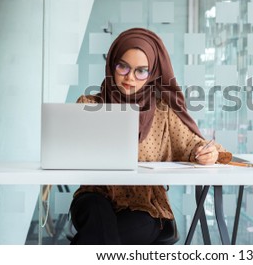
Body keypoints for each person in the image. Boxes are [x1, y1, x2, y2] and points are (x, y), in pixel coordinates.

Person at [69, 27, 231, 244]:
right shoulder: (89, 106)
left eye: (141, 71)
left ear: (153, 73)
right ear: (111, 65)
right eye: (123, 67)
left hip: (146, 205)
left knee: (100, 236)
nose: (130, 78)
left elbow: (193, 145)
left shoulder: (163, 112)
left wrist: (207, 153)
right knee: (97, 216)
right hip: (94, 196)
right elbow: (66, 149)